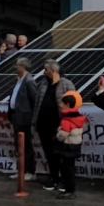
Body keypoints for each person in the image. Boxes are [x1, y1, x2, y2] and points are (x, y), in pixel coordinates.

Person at [36, 60, 72, 191]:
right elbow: (37, 104)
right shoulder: (43, 84)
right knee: (49, 153)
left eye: (46, 70)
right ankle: (54, 177)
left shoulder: (66, 84)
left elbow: (73, 104)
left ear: (54, 71)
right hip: (43, 124)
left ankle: (63, 180)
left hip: (58, 126)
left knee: (59, 153)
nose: (44, 72)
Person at [5, 57, 41, 179]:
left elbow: (34, 100)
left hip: (25, 118)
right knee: (18, 145)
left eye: (17, 65)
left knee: (26, 145)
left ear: (23, 67)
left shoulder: (29, 81)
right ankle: (21, 169)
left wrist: (31, 118)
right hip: (16, 116)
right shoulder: (19, 80)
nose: (15, 67)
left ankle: (30, 171)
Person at [53, 91, 86, 198]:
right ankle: (70, 189)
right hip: (75, 146)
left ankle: (69, 190)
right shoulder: (78, 117)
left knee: (66, 169)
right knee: (70, 167)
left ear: (67, 105)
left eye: (62, 104)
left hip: (66, 147)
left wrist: (57, 136)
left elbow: (63, 134)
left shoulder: (66, 119)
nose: (60, 105)